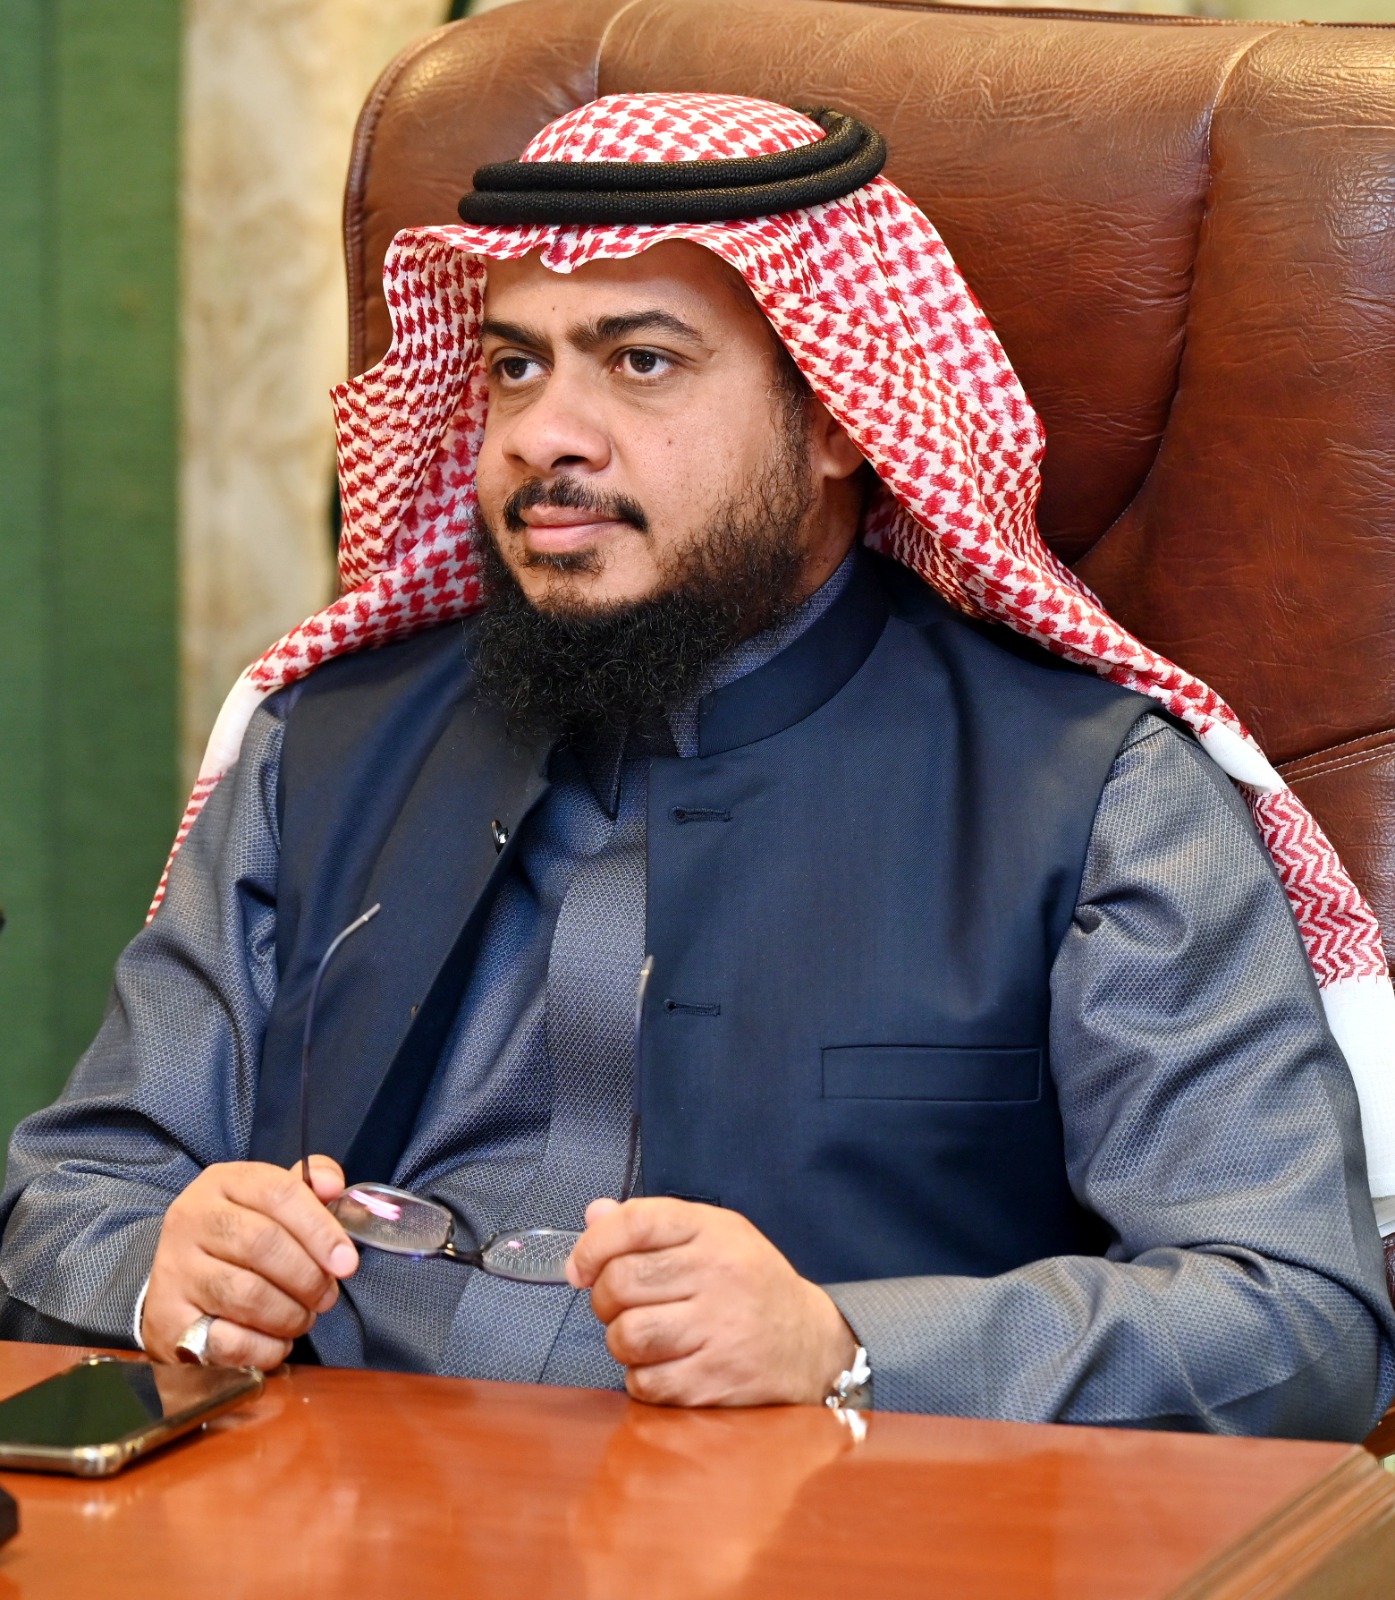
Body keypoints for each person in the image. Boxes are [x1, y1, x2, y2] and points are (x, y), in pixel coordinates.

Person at [2, 94, 1393, 1437]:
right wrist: (159, 1271)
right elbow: (72, 1195)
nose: (542, 434)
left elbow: (1295, 1323)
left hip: (805, 1534)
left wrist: (847, 1348)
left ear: (838, 414)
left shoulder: (1086, 794)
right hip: (316, 1504)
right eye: (515, 365)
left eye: (641, 361)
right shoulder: (322, 744)